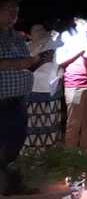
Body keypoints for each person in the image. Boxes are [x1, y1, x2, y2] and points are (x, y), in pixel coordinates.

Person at [0, 0, 50, 195]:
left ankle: (12, 185)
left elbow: (27, 64)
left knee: (15, 143)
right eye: (9, 9)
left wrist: (41, 61)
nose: (14, 14)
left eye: (16, 10)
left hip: (19, 99)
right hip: (1, 100)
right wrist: (26, 62)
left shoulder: (17, 37)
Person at [56, 17, 87, 150]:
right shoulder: (67, 37)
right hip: (75, 85)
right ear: (76, 21)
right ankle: (70, 158)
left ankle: (86, 155)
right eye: (84, 23)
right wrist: (81, 49)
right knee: (74, 123)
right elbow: (59, 60)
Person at [23, 23, 64, 156]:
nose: (40, 32)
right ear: (30, 34)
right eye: (36, 30)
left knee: (49, 124)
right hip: (31, 91)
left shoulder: (53, 45)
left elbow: (61, 63)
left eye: (42, 29)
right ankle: (30, 155)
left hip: (49, 91)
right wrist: (40, 60)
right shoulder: (25, 47)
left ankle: (47, 155)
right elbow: (24, 68)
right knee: (32, 124)